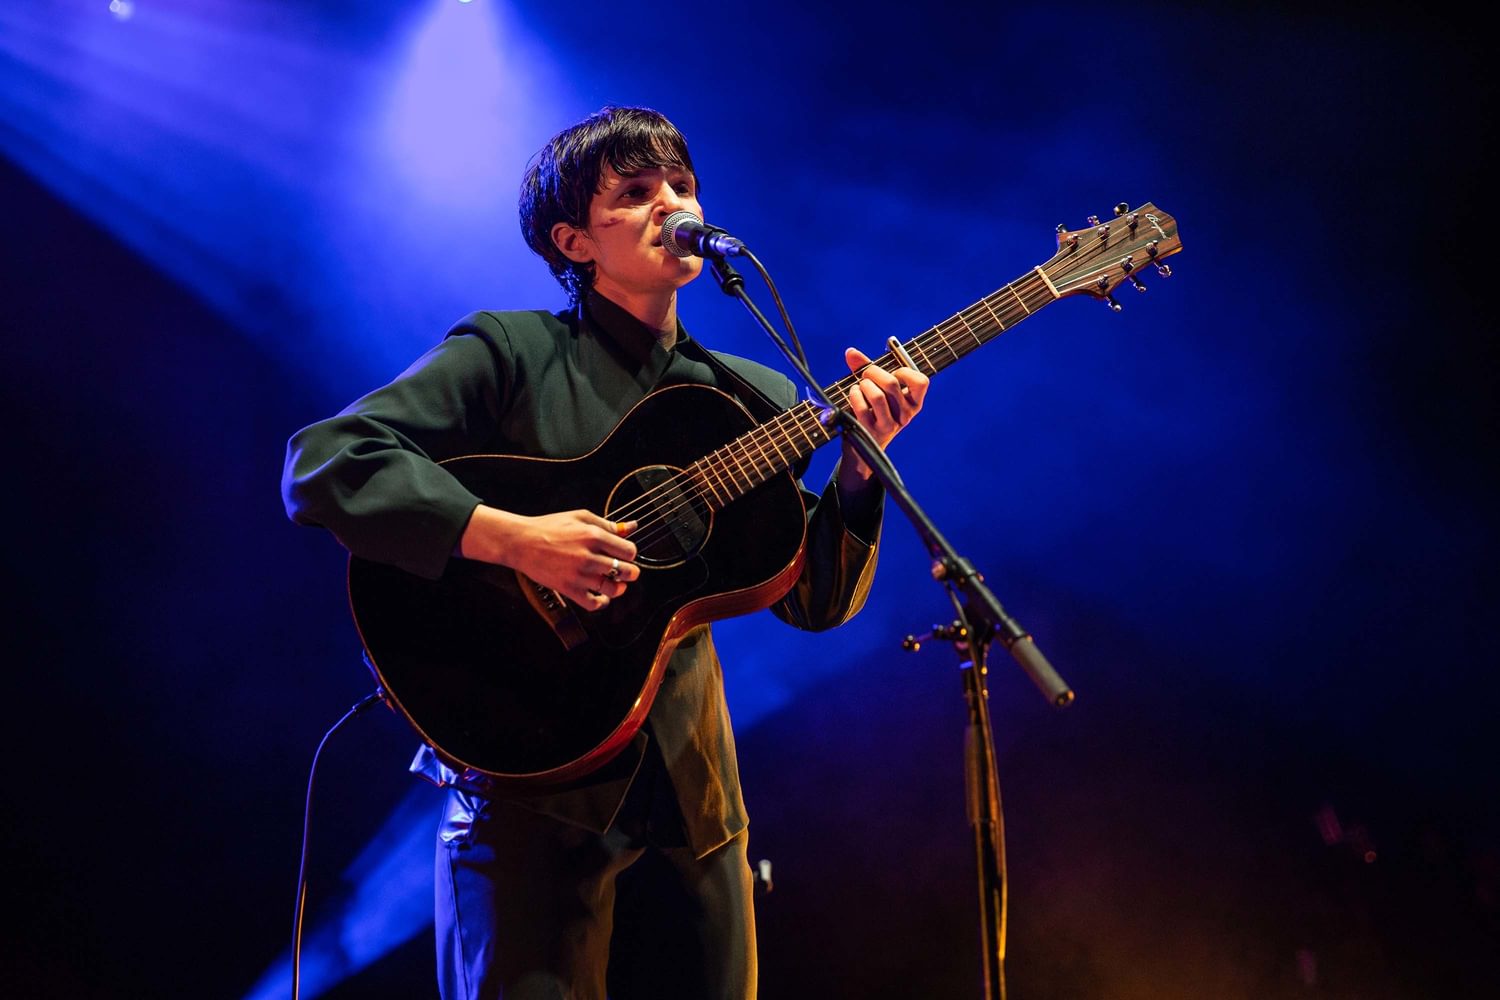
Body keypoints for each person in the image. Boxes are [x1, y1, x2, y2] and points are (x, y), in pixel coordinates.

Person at [281, 105, 928, 999]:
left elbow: (811, 600)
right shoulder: (510, 352)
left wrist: (862, 467)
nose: (672, 203)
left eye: (682, 185)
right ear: (574, 241)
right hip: (528, 789)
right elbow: (323, 462)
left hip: (696, 809)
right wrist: (515, 539)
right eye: (635, 192)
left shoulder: (755, 395)